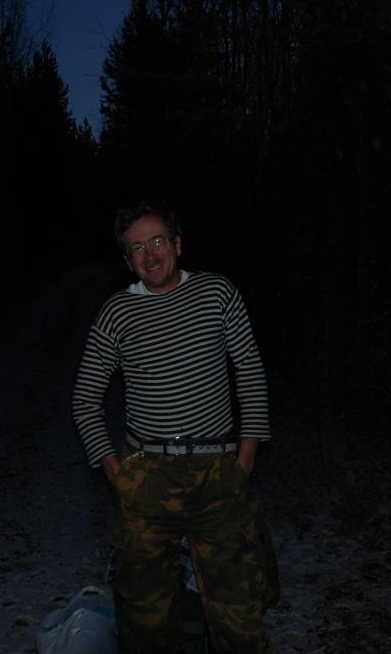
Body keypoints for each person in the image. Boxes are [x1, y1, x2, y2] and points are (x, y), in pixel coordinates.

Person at [72, 202, 273, 653]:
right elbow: (85, 398)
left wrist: (245, 457)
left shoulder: (217, 292)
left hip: (217, 472)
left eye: (158, 241)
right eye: (137, 248)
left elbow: (250, 372)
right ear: (128, 260)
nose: (150, 255)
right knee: (147, 618)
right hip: (147, 475)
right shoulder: (117, 312)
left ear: (178, 244)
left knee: (239, 613)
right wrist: (115, 472)